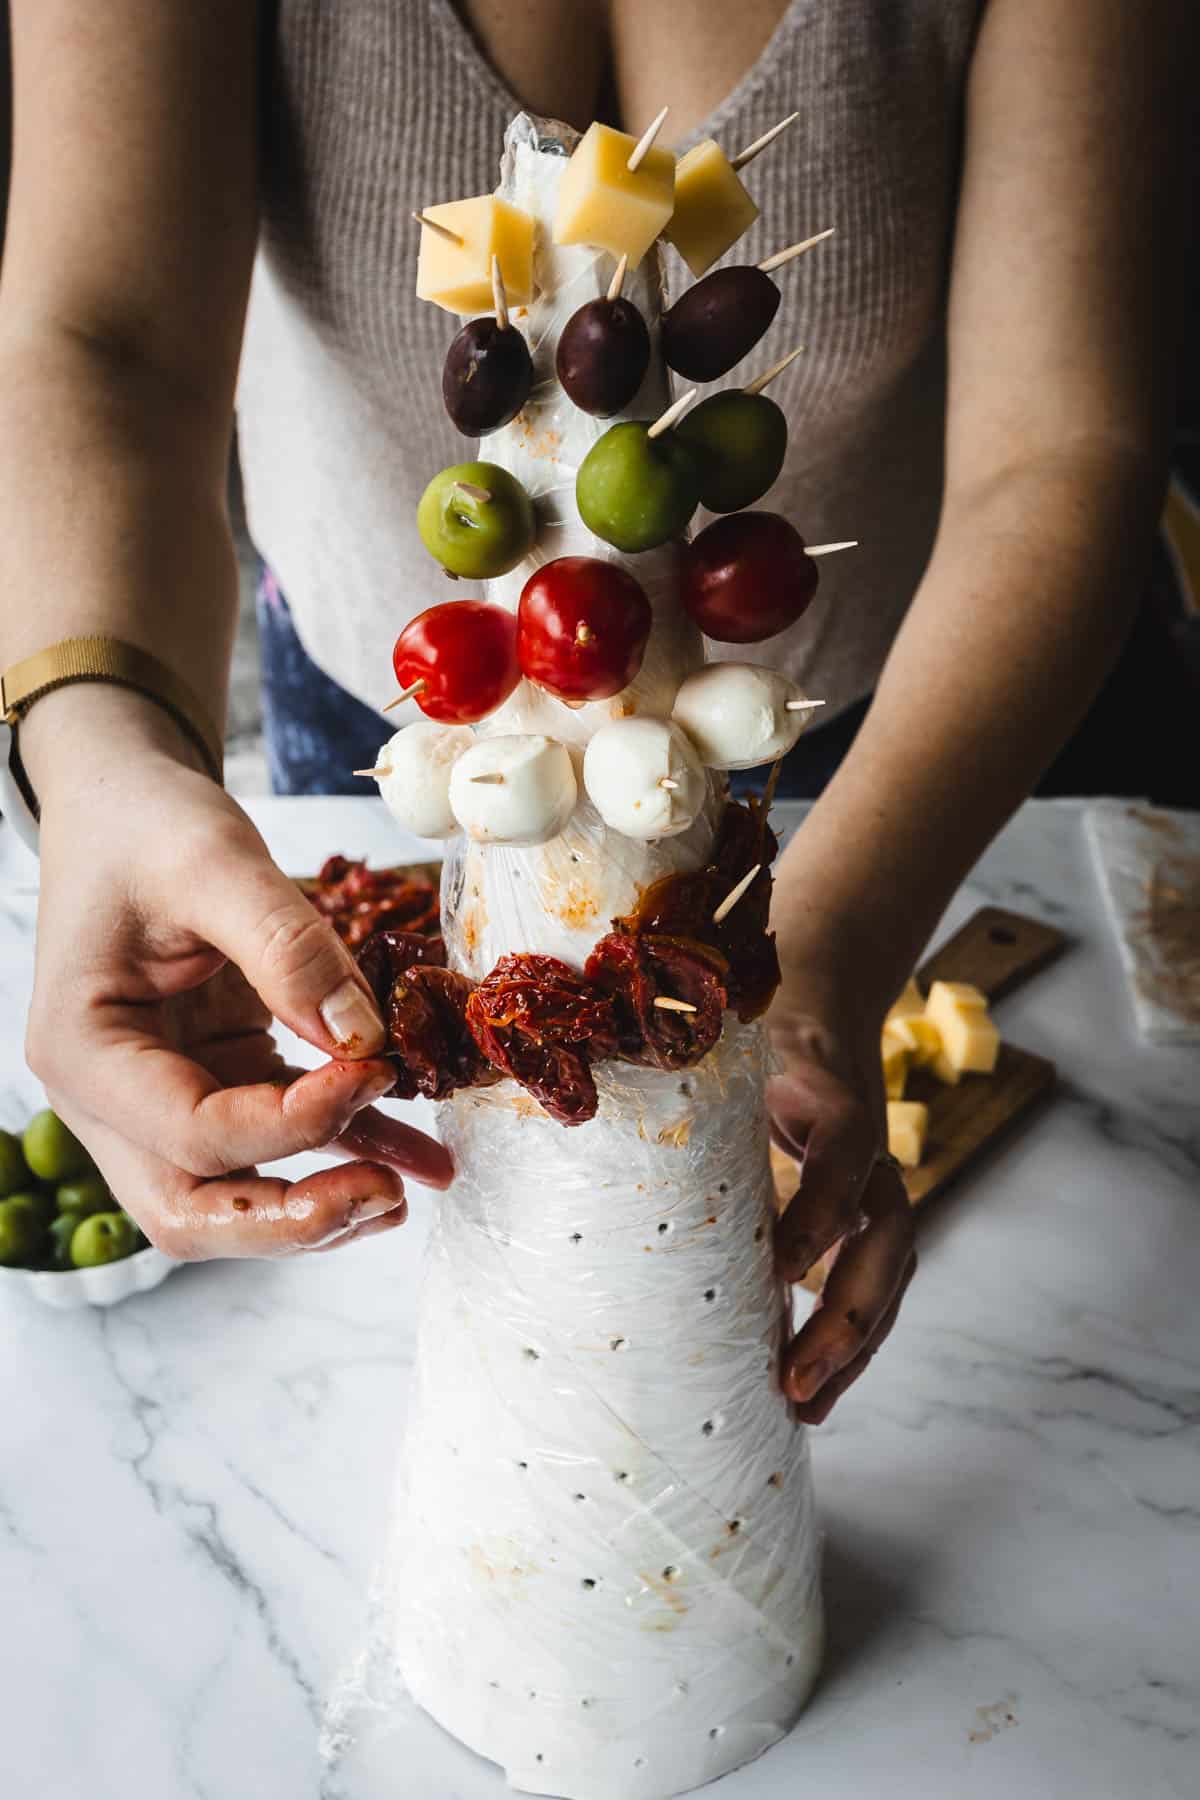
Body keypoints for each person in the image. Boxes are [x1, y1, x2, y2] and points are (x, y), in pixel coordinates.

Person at [0, 1, 1190, 1423]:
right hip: (422, 733)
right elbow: (105, 341)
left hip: (883, 734)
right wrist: (99, 754)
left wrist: (836, 942)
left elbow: (1060, 447)